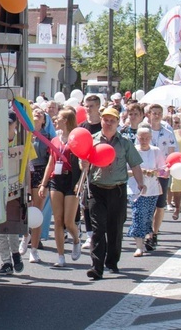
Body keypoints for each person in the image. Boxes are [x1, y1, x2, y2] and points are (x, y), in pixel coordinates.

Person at [81, 107, 145, 280]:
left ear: (118, 122)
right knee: (97, 228)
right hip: (96, 189)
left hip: (117, 189)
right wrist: (83, 163)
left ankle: (112, 261)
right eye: (106, 120)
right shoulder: (92, 140)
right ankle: (96, 267)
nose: (108, 123)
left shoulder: (124, 143)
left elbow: (135, 164)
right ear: (101, 120)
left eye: (112, 120)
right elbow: (84, 165)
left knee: (115, 228)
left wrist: (140, 182)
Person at [38, 109, 82, 267]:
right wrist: (43, 184)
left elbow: (83, 163)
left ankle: (76, 239)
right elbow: (51, 162)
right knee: (57, 219)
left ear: (67, 120)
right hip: (56, 179)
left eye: (59, 118)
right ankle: (61, 256)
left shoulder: (76, 138)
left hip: (71, 179)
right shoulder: (55, 139)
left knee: (68, 221)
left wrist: (81, 182)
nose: (55, 120)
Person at [20, 107, 53, 263]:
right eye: (34, 112)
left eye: (40, 113)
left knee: (37, 213)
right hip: (25, 172)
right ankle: (25, 236)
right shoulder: (24, 134)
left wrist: (45, 182)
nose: (37, 114)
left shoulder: (47, 137)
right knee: (26, 209)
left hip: (40, 172)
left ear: (44, 120)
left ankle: (34, 249)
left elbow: (50, 160)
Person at [129, 126, 166, 256]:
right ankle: (138, 246)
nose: (144, 140)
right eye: (141, 138)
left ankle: (146, 240)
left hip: (153, 189)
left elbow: (164, 170)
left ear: (150, 138)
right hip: (136, 189)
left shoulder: (156, 151)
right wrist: (140, 171)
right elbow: (125, 171)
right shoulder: (132, 151)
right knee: (138, 214)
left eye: (146, 138)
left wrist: (156, 171)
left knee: (147, 217)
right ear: (137, 138)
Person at [0, 111, 25, 274]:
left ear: (15, 125)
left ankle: (15, 254)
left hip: (14, 189)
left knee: (11, 226)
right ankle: (6, 262)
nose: (7, 126)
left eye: (10, 123)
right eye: (4, 123)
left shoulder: (21, 141)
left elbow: (27, 163)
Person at [146, 103, 176, 251]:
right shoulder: (144, 131)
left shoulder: (168, 133)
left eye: (159, 113)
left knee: (159, 204)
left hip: (162, 173)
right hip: (147, 172)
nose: (156, 115)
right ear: (149, 114)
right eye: (154, 113)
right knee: (147, 204)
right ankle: (147, 232)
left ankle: (155, 232)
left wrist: (168, 168)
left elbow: (171, 152)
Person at [77, 93, 102, 250]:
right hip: (85, 170)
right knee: (85, 203)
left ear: (98, 106)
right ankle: (89, 234)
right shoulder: (82, 127)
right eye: (86, 105)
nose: (88, 108)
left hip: (101, 168)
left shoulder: (103, 126)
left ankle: (100, 232)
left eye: (91, 106)